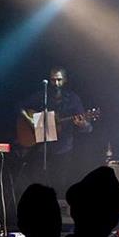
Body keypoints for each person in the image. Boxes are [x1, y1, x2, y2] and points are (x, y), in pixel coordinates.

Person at [18, 66, 92, 196]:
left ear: (65, 80)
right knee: (38, 184)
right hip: (41, 148)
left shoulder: (73, 99)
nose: (56, 83)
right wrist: (30, 120)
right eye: (53, 80)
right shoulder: (42, 96)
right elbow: (20, 107)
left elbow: (88, 128)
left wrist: (82, 124)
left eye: (59, 80)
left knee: (59, 185)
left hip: (63, 148)